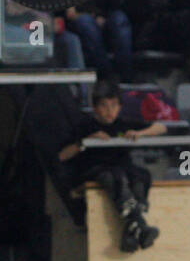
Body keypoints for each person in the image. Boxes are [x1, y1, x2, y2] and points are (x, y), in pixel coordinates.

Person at [57, 79, 164, 251]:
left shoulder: (123, 124)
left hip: (123, 168)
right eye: (104, 106)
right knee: (115, 176)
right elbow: (62, 155)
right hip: (94, 169)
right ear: (95, 107)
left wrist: (139, 133)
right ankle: (138, 226)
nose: (109, 111)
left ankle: (135, 227)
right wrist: (86, 142)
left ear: (120, 107)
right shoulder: (84, 126)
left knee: (142, 175)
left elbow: (161, 128)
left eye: (114, 106)